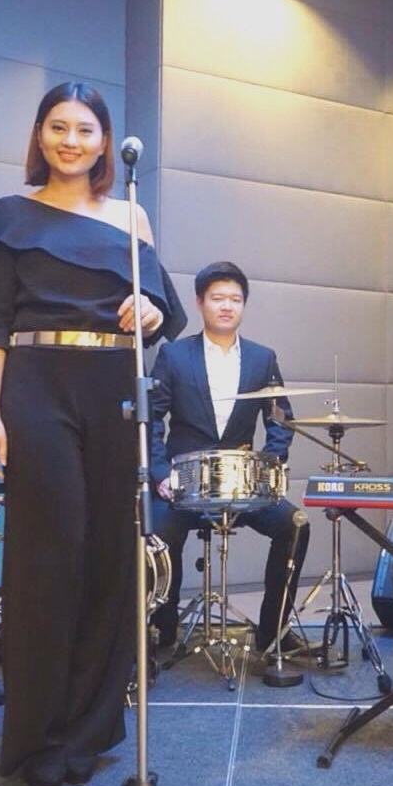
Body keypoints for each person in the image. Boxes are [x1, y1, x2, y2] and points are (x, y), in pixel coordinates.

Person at [0, 81, 186, 786]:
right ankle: (39, 732)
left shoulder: (131, 215)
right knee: (47, 557)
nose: (71, 140)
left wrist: (148, 310)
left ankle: (89, 727)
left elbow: (164, 311)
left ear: (104, 141)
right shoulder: (7, 217)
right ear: (40, 135)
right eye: (58, 127)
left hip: (114, 389)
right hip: (36, 385)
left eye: (85, 129)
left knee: (108, 558)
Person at [149, 262, 311, 656]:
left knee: (295, 526)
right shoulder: (174, 355)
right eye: (217, 298)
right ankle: (162, 628)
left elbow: (280, 419)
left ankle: (273, 632)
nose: (226, 306)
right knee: (159, 532)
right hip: (184, 484)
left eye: (235, 299)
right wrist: (160, 473)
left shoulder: (262, 358)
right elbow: (151, 419)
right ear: (200, 302)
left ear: (244, 305)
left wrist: (267, 466)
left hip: (241, 485)